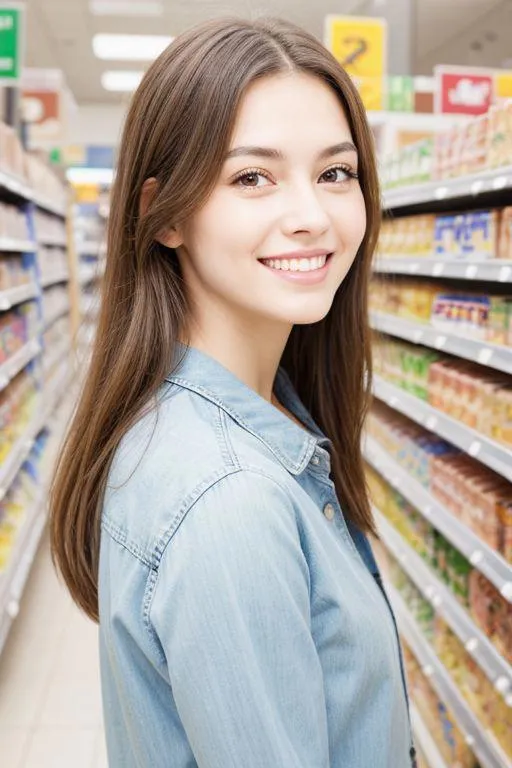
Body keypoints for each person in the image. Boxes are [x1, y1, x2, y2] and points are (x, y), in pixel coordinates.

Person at [50, 16, 417, 768]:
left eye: (335, 173)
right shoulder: (229, 500)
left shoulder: (255, 406)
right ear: (168, 213)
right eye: (252, 176)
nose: (312, 216)